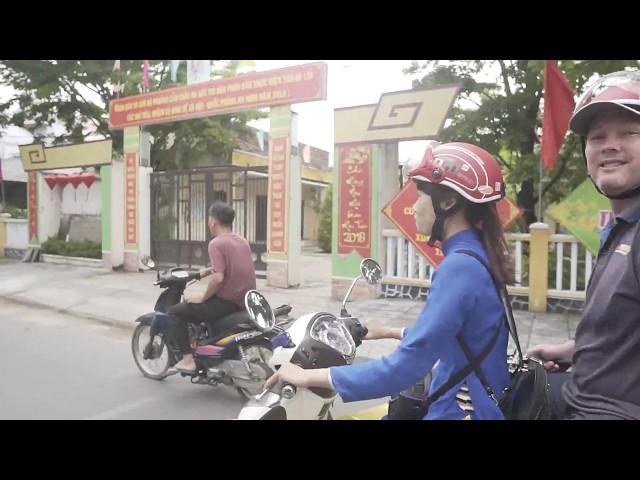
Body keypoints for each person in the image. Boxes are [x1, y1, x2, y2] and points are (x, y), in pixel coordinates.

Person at [265, 142, 515, 419]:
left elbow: (402, 369)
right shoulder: (479, 256)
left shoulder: (460, 268)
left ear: (448, 202)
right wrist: (388, 330)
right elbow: (451, 334)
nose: (415, 206)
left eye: (420, 195)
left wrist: (307, 376)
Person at [527, 70, 640, 420]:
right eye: (596, 137)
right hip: (578, 393)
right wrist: (571, 350)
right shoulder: (623, 230)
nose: (609, 144)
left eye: (629, 133)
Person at [170, 201, 256, 373]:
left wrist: (202, 297)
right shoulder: (241, 241)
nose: (209, 222)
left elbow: (218, 279)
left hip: (226, 303)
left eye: (209, 218)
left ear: (214, 221)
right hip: (245, 300)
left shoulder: (216, 243)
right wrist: (207, 271)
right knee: (200, 306)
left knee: (175, 312)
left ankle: (188, 360)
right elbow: (233, 267)